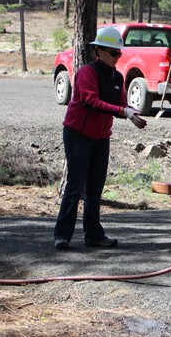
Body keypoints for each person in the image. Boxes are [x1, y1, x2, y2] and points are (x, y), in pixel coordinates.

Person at [53, 26, 147, 250]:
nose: (117, 57)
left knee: (95, 187)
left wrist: (130, 113)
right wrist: (123, 111)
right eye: (113, 53)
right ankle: (62, 235)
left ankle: (93, 235)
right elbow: (90, 102)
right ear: (99, 52)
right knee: (75, 186)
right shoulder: (87, 73)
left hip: (101, 137)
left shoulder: (117, 76)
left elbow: (121, 103)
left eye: (119, 53)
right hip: (78, 134)